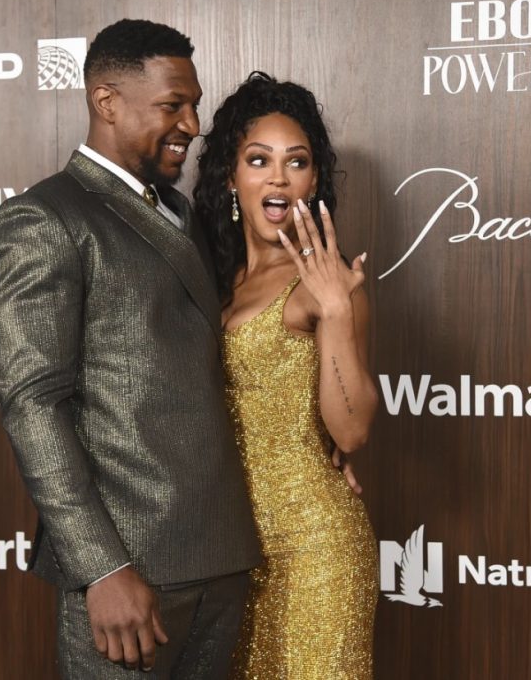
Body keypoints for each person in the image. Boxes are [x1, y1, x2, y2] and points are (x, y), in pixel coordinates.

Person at [0, 20, 261, 679]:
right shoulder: (44, 221)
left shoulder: (180, 213)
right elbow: (33, 404)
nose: (192, 123)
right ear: (106, 101)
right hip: (129, 567)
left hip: (219, 553)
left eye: (192, 104)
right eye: (172, 106)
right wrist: (102, 567)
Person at [193, 72, 380, 679]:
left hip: (315, 551)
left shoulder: (324, 285)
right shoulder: (215, 285)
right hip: (230, 555)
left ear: (314, 181)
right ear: (230, 176)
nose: (278, 176)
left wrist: (334, 310)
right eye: (258, 159)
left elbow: (350, 433)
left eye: (296, 162)